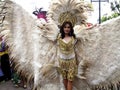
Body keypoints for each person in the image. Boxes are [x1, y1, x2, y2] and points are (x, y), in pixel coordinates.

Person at [57, 21, 89, 90]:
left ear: (71, 28)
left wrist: (93, 26)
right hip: (62, 62)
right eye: (65, 27)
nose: (66, 29)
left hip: (72, 62)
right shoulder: (58, 37)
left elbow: (84, 31)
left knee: (70, 79)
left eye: (68, 27)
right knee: (65, 79)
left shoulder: (74, 37)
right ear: (62, 28)